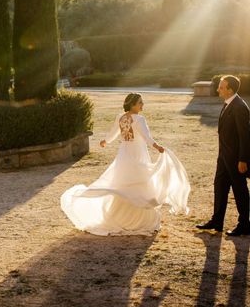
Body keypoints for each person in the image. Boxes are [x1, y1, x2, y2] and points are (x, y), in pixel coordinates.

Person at [61, 93, 190, 236]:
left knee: (122, 184)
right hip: (137, 155)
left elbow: (112, 134)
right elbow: (147, 138)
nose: (142, 105)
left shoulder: (120, 117)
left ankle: (120, 217)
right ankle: (139, 221)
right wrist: (157, 147)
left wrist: (105, 141)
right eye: (140, 103)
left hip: (124, 155)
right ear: (132, 104)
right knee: (138, 185)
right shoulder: (139, 119)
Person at [197, 75, 250, 236]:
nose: (218, 89)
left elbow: (245, 136)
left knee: (239, 190)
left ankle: (244, 225)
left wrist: (243, 159)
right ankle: (217, 221)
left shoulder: (239, 107)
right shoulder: (229, 103)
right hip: (224, 157)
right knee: (219, 186)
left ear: (230, 89)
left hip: (235, 159)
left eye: (221, 86)